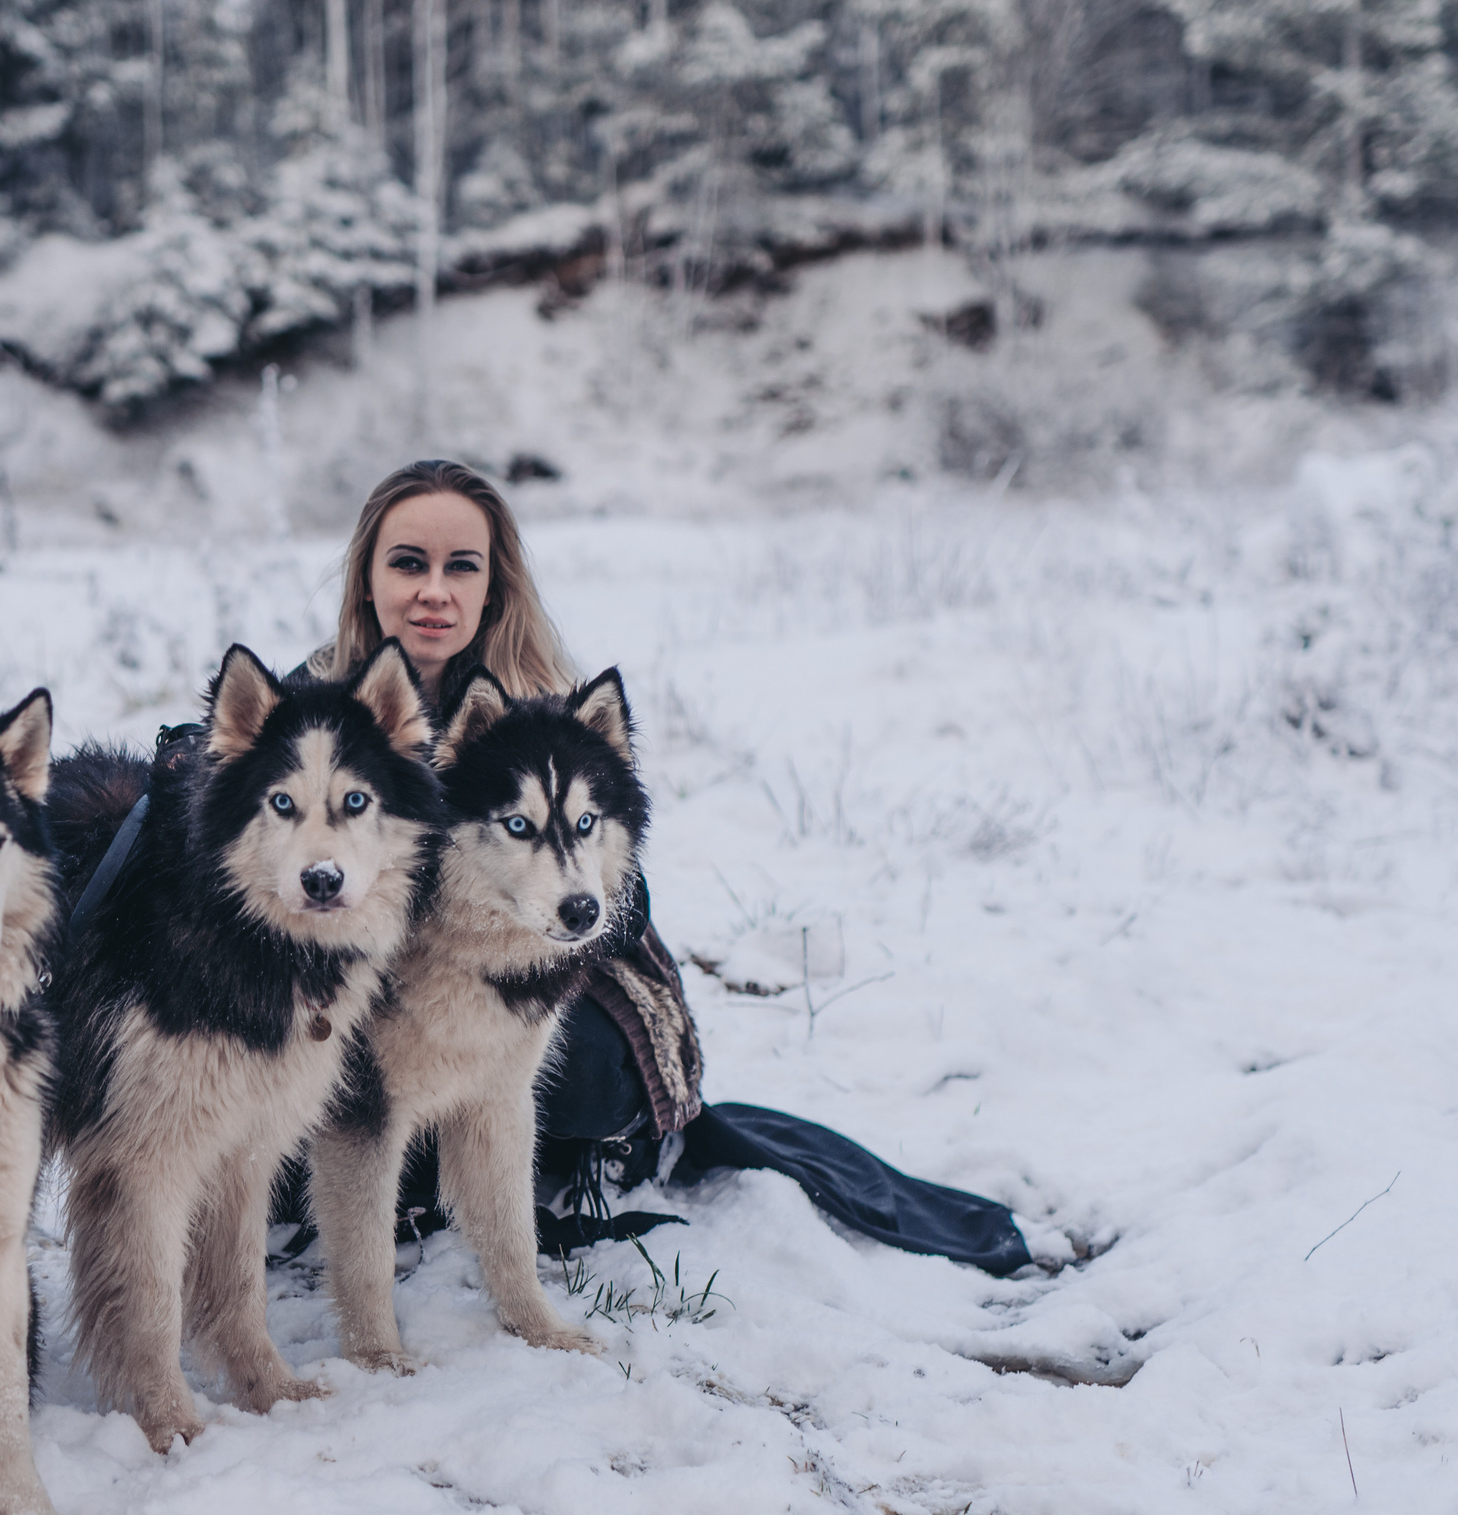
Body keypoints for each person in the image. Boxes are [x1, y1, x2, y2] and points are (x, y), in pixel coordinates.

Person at [284, 459, 1030, 1274]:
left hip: (554, 970)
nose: (435, 590)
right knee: (314, 1093)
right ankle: (401, 1158)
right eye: (408, 563)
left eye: (462, 566)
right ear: (365, 580)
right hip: (366, 992)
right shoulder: (314, 709)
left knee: (584, 1076)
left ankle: (520, 1157)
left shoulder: (548, 707)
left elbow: (621, 897)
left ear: (494, 587)